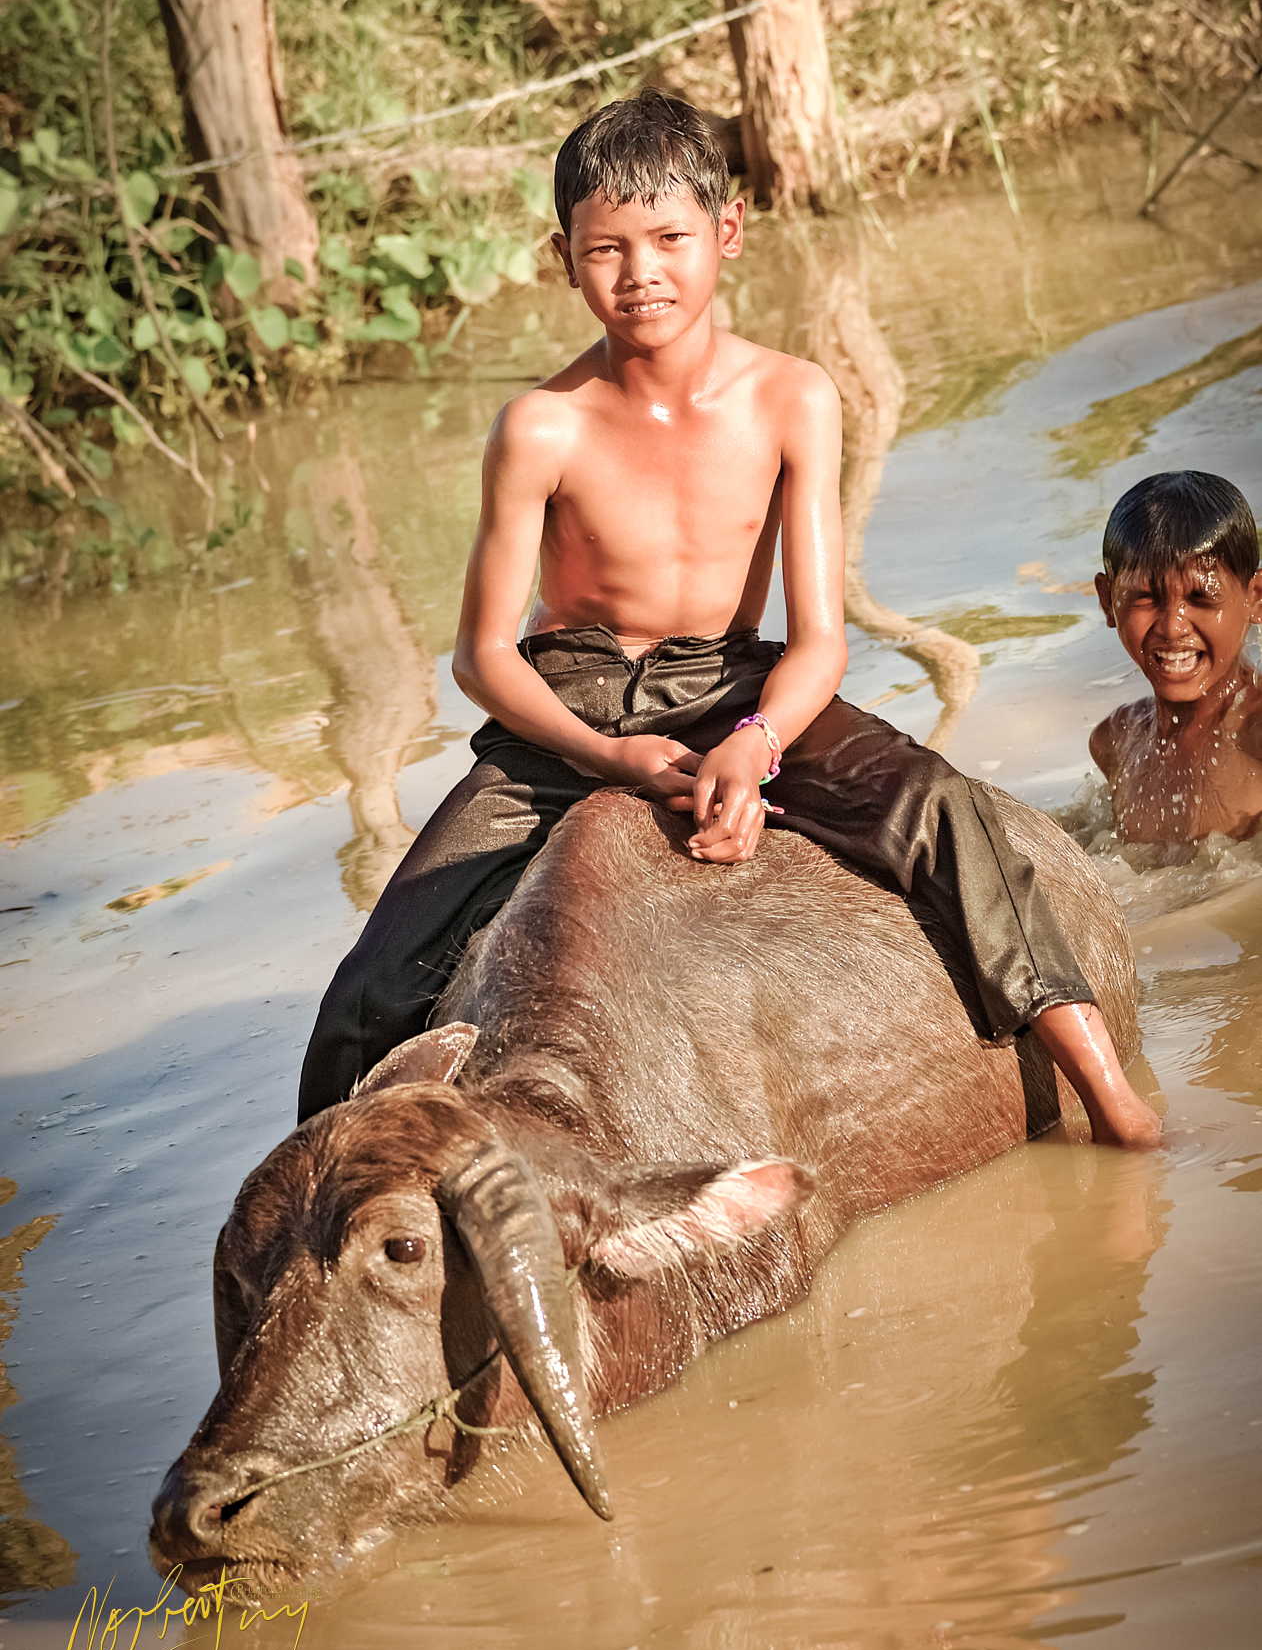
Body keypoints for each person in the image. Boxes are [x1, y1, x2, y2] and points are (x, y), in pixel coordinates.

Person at [297, 89, 1159, 1148]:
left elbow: (817, 640)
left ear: (729, 231)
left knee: (949, 815)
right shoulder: (539, 425)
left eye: (668, 238)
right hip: (564, 698)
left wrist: (754, 744)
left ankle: (1110, 1098)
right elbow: (481, 656)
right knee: (370, 988)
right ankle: (330, 1205)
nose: (640, 272)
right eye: (605, 248)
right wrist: (602, 754)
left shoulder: (793, 397)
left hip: (729, 679)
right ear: (560, 257)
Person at [1090, 470, 1262, 844]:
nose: (1172, 627)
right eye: (1144, 598)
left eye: (1201, 599)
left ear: (1256, 597)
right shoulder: (1116, 740)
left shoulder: (1256, 734)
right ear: (1108, 601)